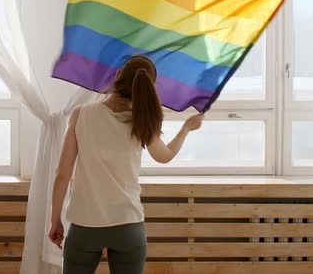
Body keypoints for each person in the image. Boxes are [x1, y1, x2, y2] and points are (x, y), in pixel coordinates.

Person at [48, 55, 204, 274]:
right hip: (128, 225)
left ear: (118, 74)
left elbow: (62, 175)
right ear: (148, 87)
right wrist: (186, 128)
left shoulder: (81, 114)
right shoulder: (142, 121)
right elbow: (165, 156)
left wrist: (56, 220)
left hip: (85, 225)